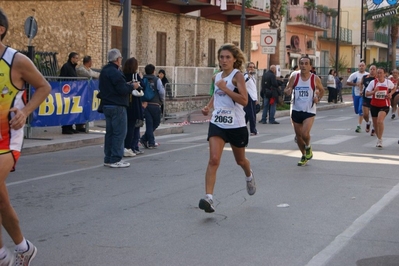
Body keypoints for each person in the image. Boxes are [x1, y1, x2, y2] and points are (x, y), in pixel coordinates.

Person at [0, 9, 51, 265]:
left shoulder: (16, 60)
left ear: (0, 29)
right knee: (0, 199)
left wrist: (25, 111)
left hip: (7, 138)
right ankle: (22, 248)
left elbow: (44, 86)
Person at [198, 43, 256, 213]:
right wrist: (208, 107)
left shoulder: (237, 76)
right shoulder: (216, 77)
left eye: (227, 57)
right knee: (214, 159)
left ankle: (248, 174)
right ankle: (209, 198)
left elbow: (244, 100)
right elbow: (216, 95)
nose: (224, 60)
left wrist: (226, 88)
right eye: (221, 57)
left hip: (236, 124)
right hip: (218, 122)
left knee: (240, 161)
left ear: (234, 59)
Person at [99, 48, 138, 168]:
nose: (121, 60)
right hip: (117, 106)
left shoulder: (104, 71)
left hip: (107, 105)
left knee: (110, 133)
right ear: (117, 59)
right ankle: (115, 159)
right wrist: (132, 86)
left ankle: (108, 158)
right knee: (119, 133)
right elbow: (121, 89)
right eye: (120, 58)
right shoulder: (115, 72)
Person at [284, 55, 324, 166]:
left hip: (309, 109)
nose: (303, 66)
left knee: (305, 134)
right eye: (301, 63)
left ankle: (308, 147)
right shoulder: (294, 76)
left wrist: (318, 98)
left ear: (310, 66)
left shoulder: (314, 78)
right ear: (299, 65)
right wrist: (287, 91)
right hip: (296, 109)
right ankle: (304, 155)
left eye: (306, 63)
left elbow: (321, 90)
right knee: (298, 136)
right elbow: (287, 88)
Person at [365, 67, 394, 148]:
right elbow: (366, 93)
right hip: (374, 105)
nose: (379, 74)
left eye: (381, 73)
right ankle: (379, 138)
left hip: (384, 105)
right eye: (378, 73)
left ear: (384, 74)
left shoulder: (388, 82)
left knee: (380, 121)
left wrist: (390, 93)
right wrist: (374, 91)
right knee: (375, 124)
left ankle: (380, 140)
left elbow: (394, 88)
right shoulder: (373, 82)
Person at [139, 64, 165, 149]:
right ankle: (149, 141)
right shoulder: (157, 80)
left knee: (149, 124)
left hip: (145, 104)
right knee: (156, 122)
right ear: (153, 71)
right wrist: (161, 100)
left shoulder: (143, 79)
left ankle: (146, 140)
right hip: (155, 104)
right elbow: (161, 91)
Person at [123, 57, 144, 157]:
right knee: (132, 126)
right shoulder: (135, 76)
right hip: (134, 103)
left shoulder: (122, 75)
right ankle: (129, 147)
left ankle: (125, 146)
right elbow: (142, 87)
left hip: (124, 103)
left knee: (124, 127)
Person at [59, 52, 84, 134]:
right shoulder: (66, 66)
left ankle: (70, 126)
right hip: (67, 92)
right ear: (72, 58)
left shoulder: (73, 67)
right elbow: (62, 79)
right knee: (67, 110)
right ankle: (65, 128)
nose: (77, 60)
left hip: (72, 92)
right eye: (76, 58)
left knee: (71, 110)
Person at [347, 62, 369, 133]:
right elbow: (348, 82)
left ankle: (359, 126)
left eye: (362, 66)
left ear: (365, 67)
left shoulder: (367, 75)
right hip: (356, 94)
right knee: (356, 110)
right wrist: (356, 84)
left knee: (360, 110)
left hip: (364, 95)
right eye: (360, 66)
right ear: (358, 67)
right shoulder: (354, 74)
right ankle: (368, 121)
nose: (361, 67)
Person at [360, 65, 377, 136]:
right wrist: (361, 90)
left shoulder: (378, 78)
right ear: (369, 70)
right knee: (365, 114)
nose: (372, 70)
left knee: (374, 115)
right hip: (366, 97)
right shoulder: (365, 77)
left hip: (375, 98)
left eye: (374, 69)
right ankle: (368, 122)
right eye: (371, 69)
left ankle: (374, 128)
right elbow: (361, 83)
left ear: (376, 70)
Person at [243, 62, 258, 135]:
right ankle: (253, 130)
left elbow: (254, 89)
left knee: (247, 115)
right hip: (249, 97)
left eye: (253, 67)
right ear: (247, 68)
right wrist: (248, 75)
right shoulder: (246, 76)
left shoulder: (252, 77)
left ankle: (241, 128)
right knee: (252, 115)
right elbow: (243, 82)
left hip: (253, 97)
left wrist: (256, 99)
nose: (252, 68)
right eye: (250, 67)